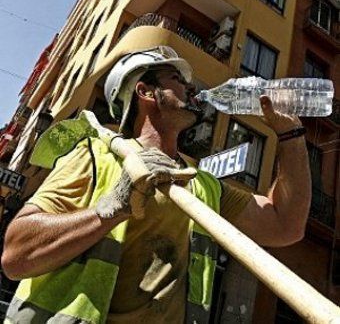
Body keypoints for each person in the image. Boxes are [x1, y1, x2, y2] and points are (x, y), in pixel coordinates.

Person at [1, 46, 311, 324]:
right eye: (176, 78)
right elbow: (16, 257)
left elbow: (285, 225)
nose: (192, 87)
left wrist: (291, 136)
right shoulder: (98, 157)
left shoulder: (202, 184)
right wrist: (110, 208)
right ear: (146, 92)